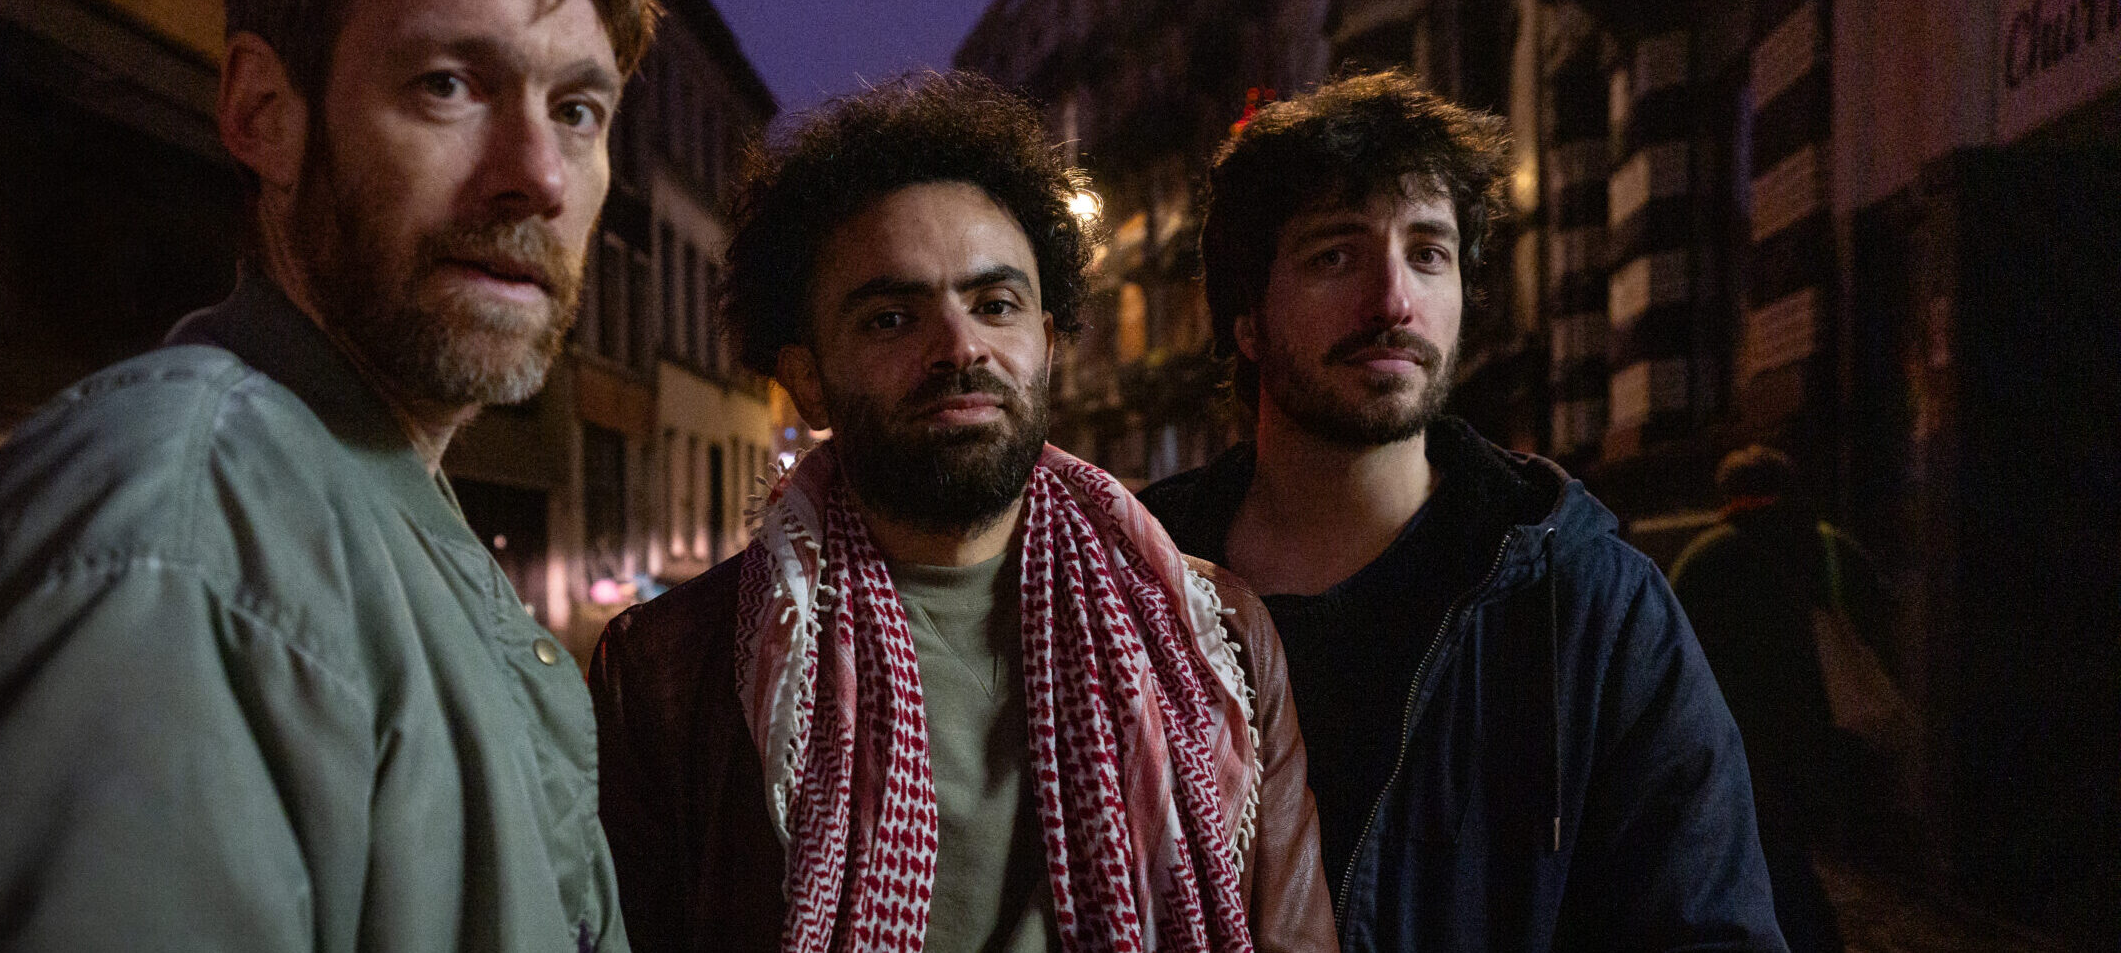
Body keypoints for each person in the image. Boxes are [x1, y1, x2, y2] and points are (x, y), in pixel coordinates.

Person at [0, 0, 655, 951]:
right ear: (263, 114)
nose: (538, 176)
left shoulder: (354, 510)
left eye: (578, 111)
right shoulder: (186, 541)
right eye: (448, 85)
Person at [589, 73, 1337, 953]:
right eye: (891, 318)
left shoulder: (1216, 639)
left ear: (1045, 345)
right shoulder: (670, 676)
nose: (959, 347)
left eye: (995, 305)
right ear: (807, 378)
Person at [1138, 71, 1785, 952]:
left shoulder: (1585, 603)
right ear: (1246, 318)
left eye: (1428, 253)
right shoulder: (1131, 588)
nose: (1394, 301)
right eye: (1335, 256)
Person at [1669, 445, 1895, 953]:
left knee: (1772, 857)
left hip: (1744, 742)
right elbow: (1879, 620)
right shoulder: (1832, 547)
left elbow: (1674, 655)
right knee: (1799, 853)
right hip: (1826, 734)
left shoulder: (1705, 559)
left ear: (1729, 494)